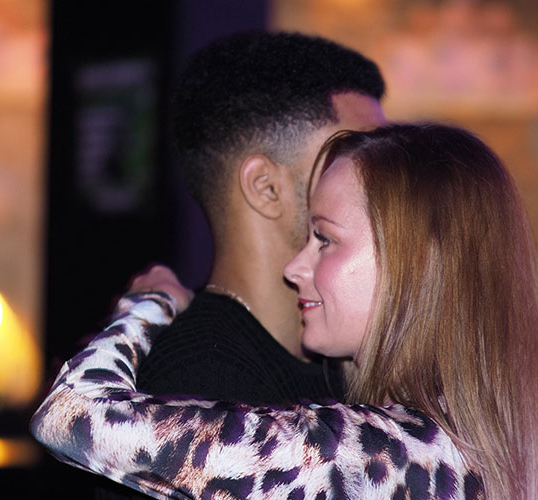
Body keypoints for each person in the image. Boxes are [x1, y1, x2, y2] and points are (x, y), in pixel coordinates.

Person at [32, 124, 538, 499]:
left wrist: (149, 302)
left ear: (417, 264)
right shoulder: (537, 453)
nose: (296, 266)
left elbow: (70, 414)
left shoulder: (353, 456)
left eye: (325, 239)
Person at [135, 31, 386, 407]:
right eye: (358, 155)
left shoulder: (349, 356)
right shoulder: (200, 385)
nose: (389, 178)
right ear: (266, 187)